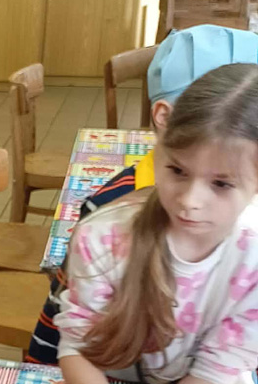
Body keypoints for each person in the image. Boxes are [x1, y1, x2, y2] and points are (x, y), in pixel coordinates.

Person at [28, 24, 258, 364]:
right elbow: (63, 334)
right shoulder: (108, 217)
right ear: (166, 118)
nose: (192, 201)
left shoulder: (246, 232)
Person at [57, 63, 258, 384]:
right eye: (178, 171)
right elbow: (76, 346)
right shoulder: (101, 238)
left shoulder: (252, 256)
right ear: (160, 138)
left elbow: (221, 363)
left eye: (221, 184)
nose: (190, 201)